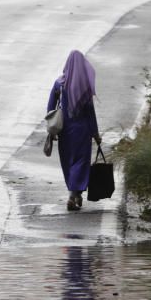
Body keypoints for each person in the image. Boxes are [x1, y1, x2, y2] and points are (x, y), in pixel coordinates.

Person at [47, 50, 102, 211]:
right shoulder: (85, 86)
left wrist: (52, 130)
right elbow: (90, 113)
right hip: (83, 131)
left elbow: (51, 107)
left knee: (69, 162)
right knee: (81, 163)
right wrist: (96, 133)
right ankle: (74, 194)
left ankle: (75, 194)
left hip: (65, 131)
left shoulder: (59, 83)